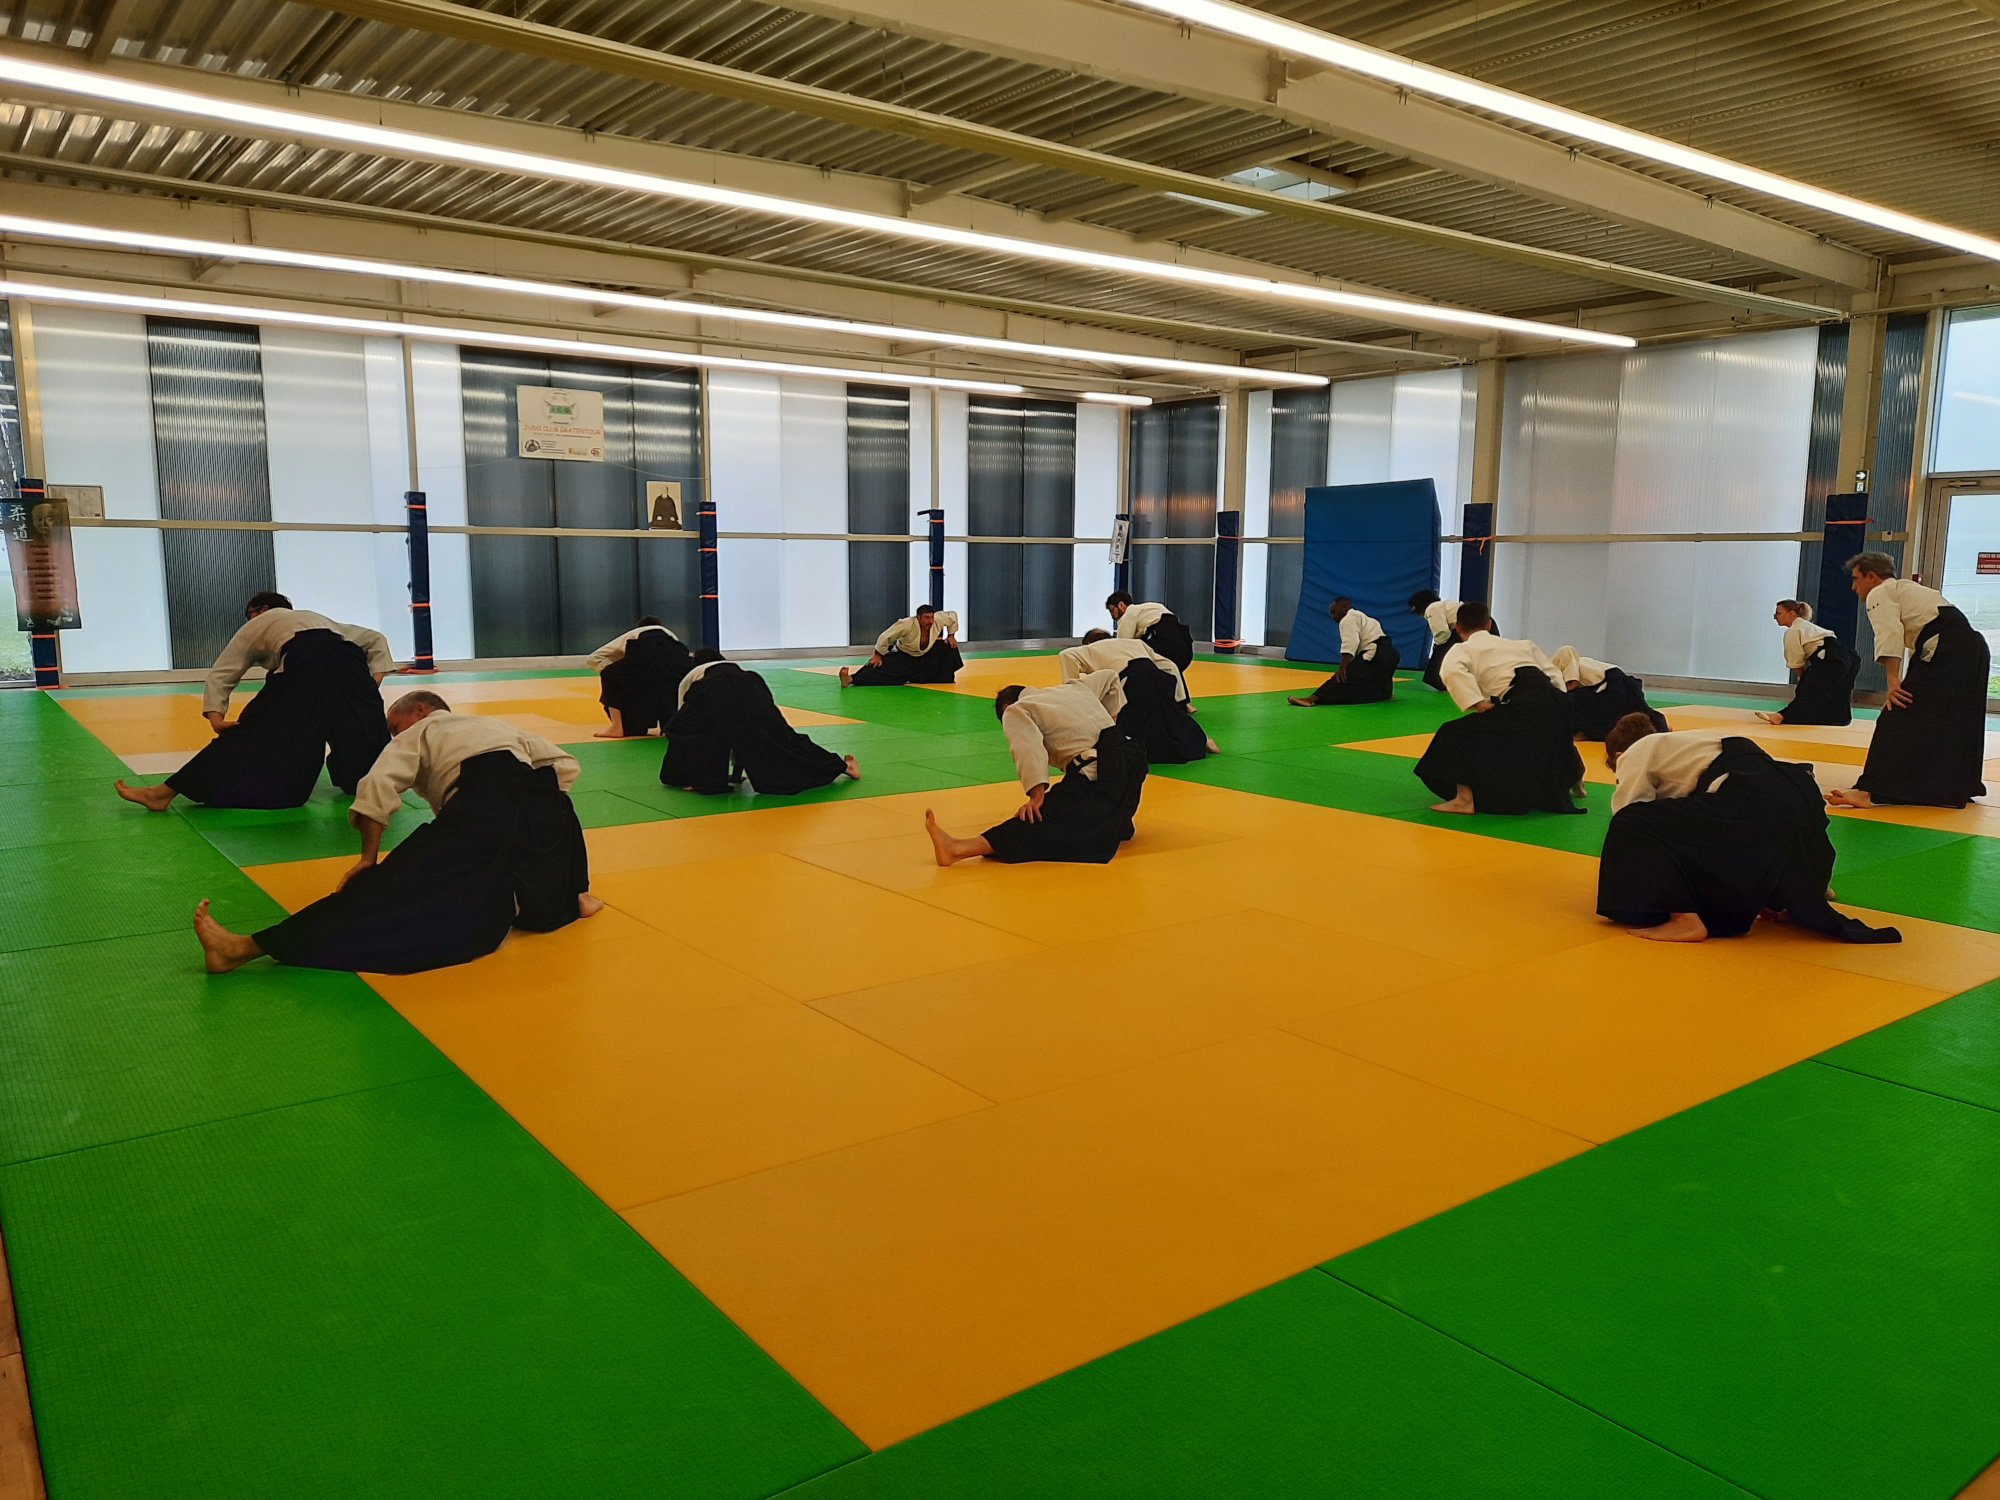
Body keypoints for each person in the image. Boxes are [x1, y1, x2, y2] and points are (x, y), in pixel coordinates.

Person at [190, 691, 602, 975]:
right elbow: (564, 766)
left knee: (387, 890)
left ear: (420, 711)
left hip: (480, 805)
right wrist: (527, 816)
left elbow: (377, 788)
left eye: (395, 725)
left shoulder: (424, 731)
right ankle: (574, 897)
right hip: (540, 802)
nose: (393, 735)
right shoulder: (495, 725)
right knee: (551, 814)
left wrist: (368, 860)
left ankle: (241, 949)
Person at [1597, 712, 1900, 945]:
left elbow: (1628, 813)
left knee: (1632, 823)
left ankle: (1684, 919)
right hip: (1798, 792)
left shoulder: (1636, 752)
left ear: (1619, 756)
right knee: (1694, 830)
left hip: (1748, 798)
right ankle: (1799, 895)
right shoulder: (1693, 742)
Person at [115, 592, 393, 812]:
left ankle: (162, 793)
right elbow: (375, 639)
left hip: (304, 661)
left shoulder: (258, 623)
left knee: (252, 732)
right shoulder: (317, 618)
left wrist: (216, 719)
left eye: (249, 615)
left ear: (262, 610)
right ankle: (365, 781)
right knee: (362, 731)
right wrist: (372, 682)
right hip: (350, 663)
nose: (249, 621)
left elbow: (223, 673)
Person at [924, 672, 1148, 866]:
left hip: (1101, 774)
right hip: (1133, 762)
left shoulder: (1017, 710)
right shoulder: (1075, 687)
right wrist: (1110, 725)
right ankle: (1117, 823)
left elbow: (1027, 747)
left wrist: (1036, 796)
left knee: (1039, 821)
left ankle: (957, 848)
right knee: (1087, 807)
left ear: (1006, 708)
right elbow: (1110, 677)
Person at [1826, 553, 1990, 809]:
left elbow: (1889, 634)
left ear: (1872, 576)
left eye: (1856, 579)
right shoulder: (1909, 590)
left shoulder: (1880, 592)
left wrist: (1893, 682)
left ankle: (1869, 789)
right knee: (1956, 716)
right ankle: (1956, 785)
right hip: (1973, 649)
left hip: (1947, 649)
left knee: (1897, 712)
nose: (1853, 587)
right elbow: (1920, 641)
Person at [1414, 603, 1584, 816]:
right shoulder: (1522, 645)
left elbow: (1450, 671)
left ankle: (1464, 800)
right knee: (1542, 735)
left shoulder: (1462, 649)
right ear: (1488, 624)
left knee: (1453, 733)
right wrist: (1559, 704)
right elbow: (1553, 673)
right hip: (1557, 702)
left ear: (1457, 627)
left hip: (1524, 703)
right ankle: (1575, 777)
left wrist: (1477, 702)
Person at [664, 649, 860, 795]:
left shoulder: (693, 675)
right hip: (752, 689)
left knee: (684, 732)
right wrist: (737, 772)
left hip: (711, 691)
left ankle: (704, 781)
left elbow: (686, 723)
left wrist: (698, 776)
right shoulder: (741, 671)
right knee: (781, 739)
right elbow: (744, 730)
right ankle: (841, 766)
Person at [1058, 629, 1214, 761]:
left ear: (1087, 642)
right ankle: (1201, 739)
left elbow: (1065, 655)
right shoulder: (1134, 643)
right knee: (1170, 716)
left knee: (1130, 724)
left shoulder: (1089, 649)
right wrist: (1180, 698)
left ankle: (1124, 748)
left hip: (1133, 681)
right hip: (1160, 678)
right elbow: (1169, 666)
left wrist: (1074, 691)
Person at [1754, 599, 1859, 726]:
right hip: (1849, 657)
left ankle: (1781, 716)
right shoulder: (1809, 627)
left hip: (1831, 658)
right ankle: (1838, 717)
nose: (1775, 617)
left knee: (1807, 690)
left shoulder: (1793, 631)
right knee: (1838, 691)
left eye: (1778, 613)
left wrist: (1802, 678)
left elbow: (1796, 662)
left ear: (1792, 614)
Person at [588, 616, 692, 738]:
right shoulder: (671, 636)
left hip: (640, 670)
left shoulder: (635, 633)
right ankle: (670, 725)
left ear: (640, 627)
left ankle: (616, 727)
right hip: (674, 674)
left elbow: (594, 658)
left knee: (608, 674)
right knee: (674, 685)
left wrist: (619, 670)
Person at [1288, 597, 1400, 705]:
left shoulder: (1347, 619)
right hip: (1392, 654)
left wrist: (1342, 668)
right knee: (1376, 678)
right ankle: (1385, 693)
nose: (1332, 617)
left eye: (1334, 612)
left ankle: (1311, 699)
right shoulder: (1367, 619)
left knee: (1342, 677)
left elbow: (1351, 643)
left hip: (1376, 654)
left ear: (1345, 607)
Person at [1549, 645, 1671, 740]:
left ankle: (1659, 727)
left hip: (1612, 682)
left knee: (1628, 715)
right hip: (1606, 683)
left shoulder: (1558, 667)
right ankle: (1658, 726)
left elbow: (1571, 679)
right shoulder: (1556, 670)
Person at [841, 604, 962, 686]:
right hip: (904, 655)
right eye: (926, 618)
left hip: (926, 654)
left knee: (948, 646)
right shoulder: (906, 624)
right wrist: (877, 655)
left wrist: (951, 636)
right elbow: (885, 636)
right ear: (918, 617)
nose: (930, 621)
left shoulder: (938, 619)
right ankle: (851, 679)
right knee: (881, 666)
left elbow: (952, 616)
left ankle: (945, 678)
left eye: (931, 617)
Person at [1106, 591, 1194, 671]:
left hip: (1163, 638)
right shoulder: (1152, 607)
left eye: (1112, 610)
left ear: (1121, 605)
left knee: (1144, 668)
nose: (1112, 616)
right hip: (1185, 643)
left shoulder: (1129, 613)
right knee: (1172, 672)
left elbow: (1122, 645)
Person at [1409, 590, 1461, 692]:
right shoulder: (1444, 605)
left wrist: (1437, 645)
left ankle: (1445, 684)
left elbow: (1442, 632)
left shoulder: (1432, 608)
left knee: (1437, 663)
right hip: (1477, 626)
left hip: (1466, 629)